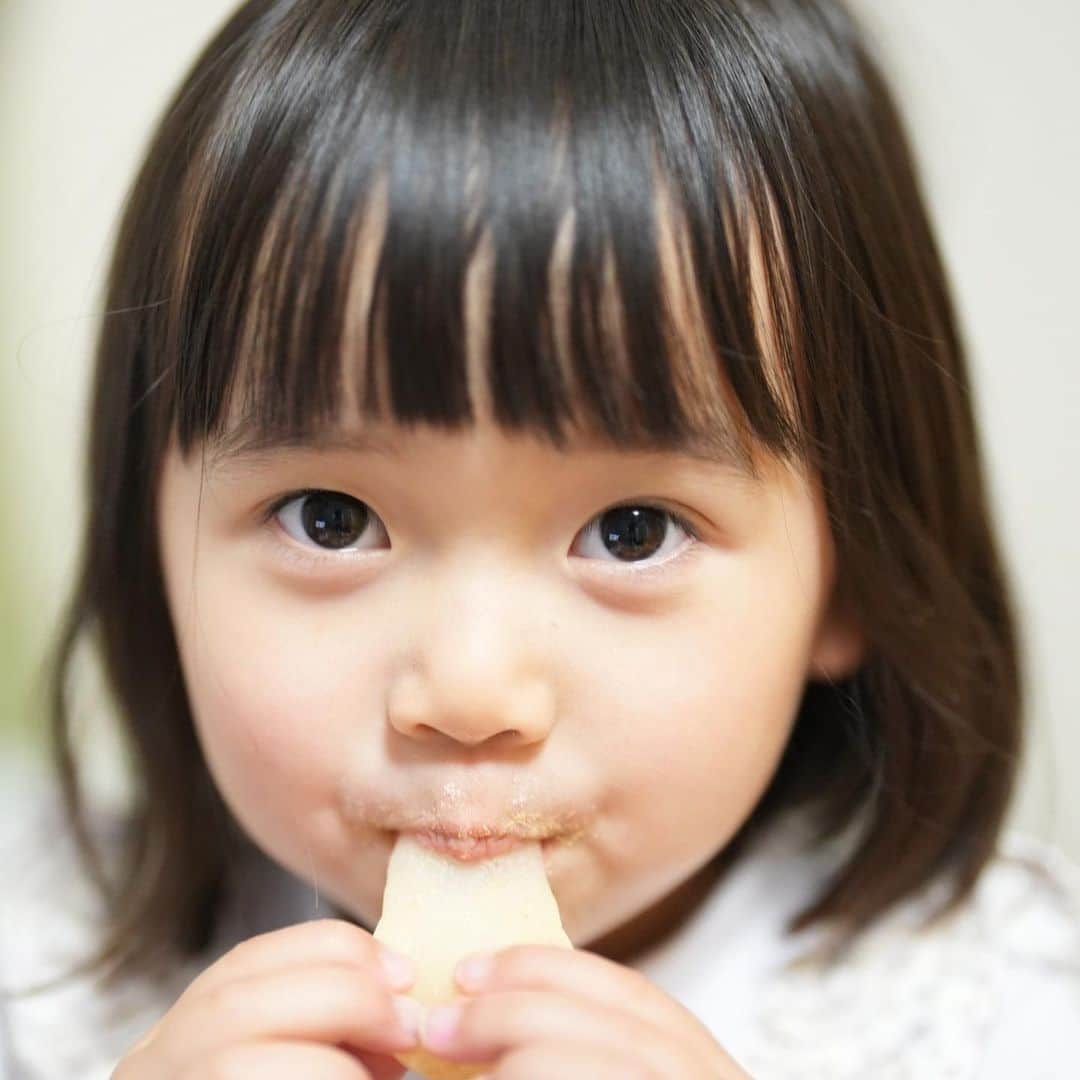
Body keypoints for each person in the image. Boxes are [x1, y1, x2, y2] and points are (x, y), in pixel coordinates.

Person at [2, 0, 1078, 1076]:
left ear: (853, 572)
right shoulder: (38, 964)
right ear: (154, 543)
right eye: (332, 520)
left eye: (633, 530)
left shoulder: (1015, 1022)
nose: (470, 694)